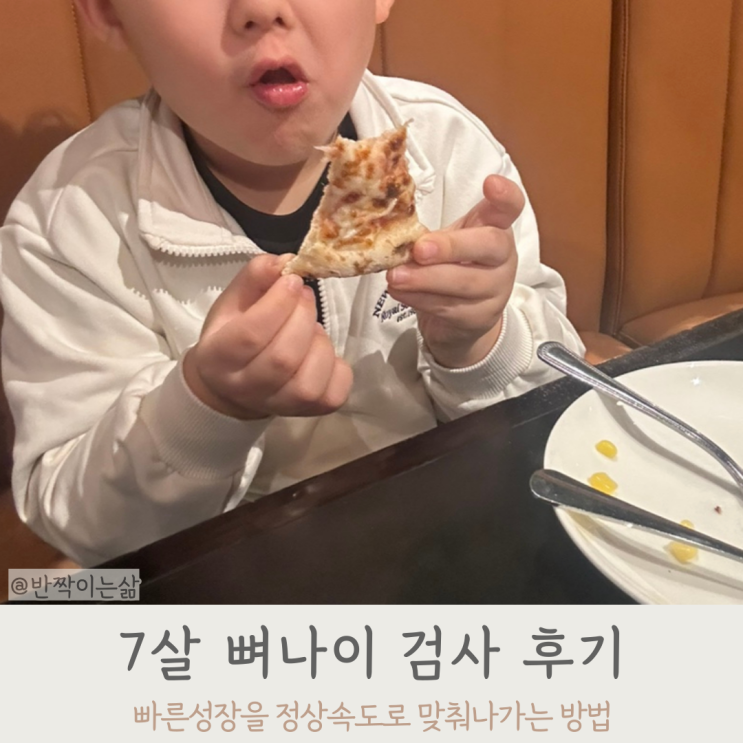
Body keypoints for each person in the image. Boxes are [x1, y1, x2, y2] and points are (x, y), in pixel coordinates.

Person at [0, 0, 584, 566]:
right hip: (229, 571)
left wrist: (481, 344)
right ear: (107, 11)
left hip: (454, 528)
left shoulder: (446, 148)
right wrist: (205, 406)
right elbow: (86, 527)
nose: (261, 8)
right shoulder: (70, 221)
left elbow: (561, 406)